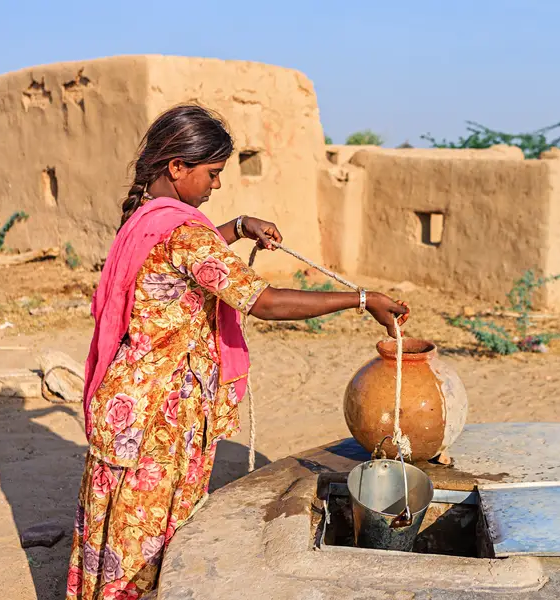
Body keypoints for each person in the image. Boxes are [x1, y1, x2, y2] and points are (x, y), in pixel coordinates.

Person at [65, 104, 409, 599]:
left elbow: (187, 258)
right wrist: (363, 299)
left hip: (130, 405)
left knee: (122, 528)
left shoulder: (149, 219)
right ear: (176, 168)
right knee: (143, 540)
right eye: (212, 173)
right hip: (159, 419)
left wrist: (237, 228)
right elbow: (264, 302)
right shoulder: (183, 232)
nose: (216, 185)